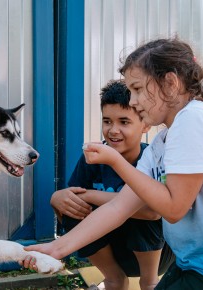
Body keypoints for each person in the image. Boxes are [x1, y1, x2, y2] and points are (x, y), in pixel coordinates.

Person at [23, 38, 203, 289]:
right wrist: (57, 248)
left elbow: (174, 208)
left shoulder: (195, 119)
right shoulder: (160, 145)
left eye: (138, 89)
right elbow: (119, 207)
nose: (133, 100)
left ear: (170, 83)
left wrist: (116, 162)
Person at [48, 79, 171, 290]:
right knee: (70, 206)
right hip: (113, 251)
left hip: (157, 254)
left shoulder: (152, 157)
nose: (113, 130)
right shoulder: (93, 157)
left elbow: (153, 212)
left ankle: (150, 282)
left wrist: (90, 195)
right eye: (107, 121)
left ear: (145, 125)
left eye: (124, 122)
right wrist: (57, 198)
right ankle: (114, 279)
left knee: (142, 206)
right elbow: (74, 199)